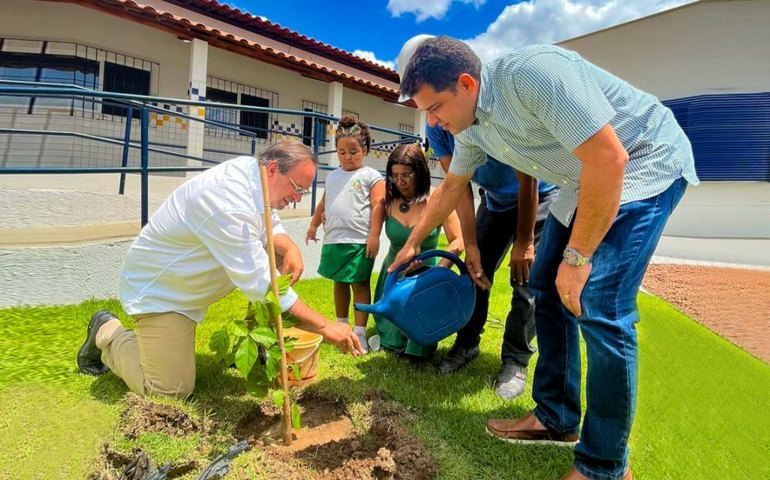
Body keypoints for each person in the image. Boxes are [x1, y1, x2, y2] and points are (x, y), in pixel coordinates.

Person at [393, 35, 698, 480]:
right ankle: (556, 417)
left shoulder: (534, 74)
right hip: (583, 178)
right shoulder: (472, 127)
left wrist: (577, 260)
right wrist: (412, 243)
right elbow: (452, 188)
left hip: (644, 163)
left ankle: (603, 465)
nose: (433, 120)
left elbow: (610, 158)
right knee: (546, 291)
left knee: (601, 307)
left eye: (435, 107)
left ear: (465, 83)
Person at [76, 142, 365, 399]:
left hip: (188, 285)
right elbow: (267, 290)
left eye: (304, 191)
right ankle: (108, 332)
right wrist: (327, 327)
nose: (299, 198)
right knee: (169, 388)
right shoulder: (226, 203)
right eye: (298, 188)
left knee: (272, 251)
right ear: (274, 169)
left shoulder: (254, 174)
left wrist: (289, 246)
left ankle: (255, 348)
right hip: (161, 293)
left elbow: (268, 221)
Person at [426, 121, 557, 400]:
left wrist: (523, 243)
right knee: (474, 273)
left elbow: (529, 178)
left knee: (526, 281)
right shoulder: (437, 128)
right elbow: (458, 186)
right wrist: (470, 243)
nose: (430, 119)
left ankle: (516, 359)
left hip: (540, 195)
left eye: (434, 106)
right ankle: (467, 343)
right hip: (496, 201)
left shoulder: (496, 117)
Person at [372, 142, 463, 361]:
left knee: (419, 349)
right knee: (392, 343)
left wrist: (438, 271)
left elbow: (458, 241)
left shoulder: (438, 201)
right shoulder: (387, 202)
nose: (399, 182)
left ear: (420, 172)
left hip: (425, 277)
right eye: (394, 175)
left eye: (406, 175)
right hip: (394, 275)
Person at [305, 115, 385, 352]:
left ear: (365, 149)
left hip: (359, 241)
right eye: (342, 152)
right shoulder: (332, 175)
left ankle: (359, 333)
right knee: (338, 281)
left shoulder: (371, 176)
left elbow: (378, 206)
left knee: (360, 284)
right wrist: (313, 225)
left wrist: (374, 236)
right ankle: (341, 327)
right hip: (334, 239)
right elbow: (323, 202)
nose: (347, 157)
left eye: (353, 151)